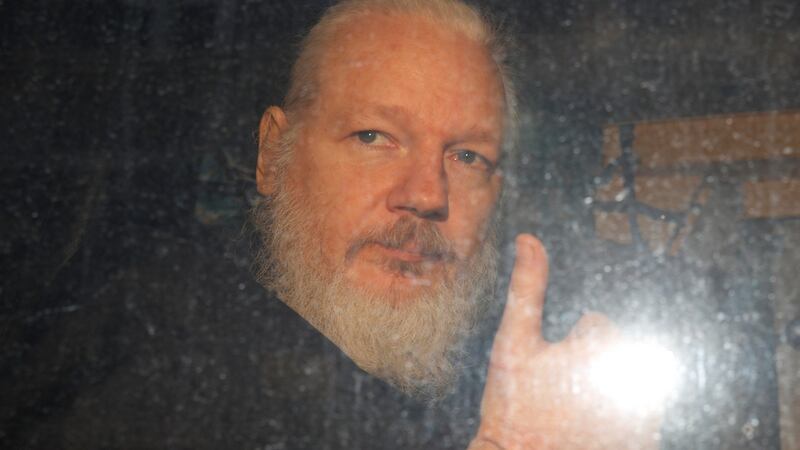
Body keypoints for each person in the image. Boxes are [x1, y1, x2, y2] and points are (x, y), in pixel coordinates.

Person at [251, 0, 663, 448]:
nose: (428, 195)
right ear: (273, 153)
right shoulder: (196, 369)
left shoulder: (531, 394)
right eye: (373, 136)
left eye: (467, 156)